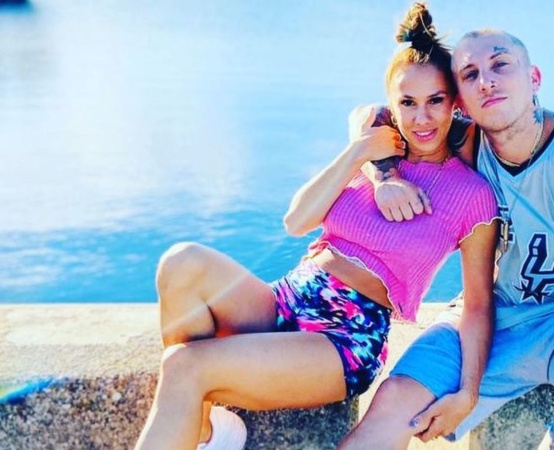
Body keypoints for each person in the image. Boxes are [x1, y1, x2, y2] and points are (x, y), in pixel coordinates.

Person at [133, 4, 498, 450]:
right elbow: (296, 221)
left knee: (183, 364)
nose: (421, 118)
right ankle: (207, 430)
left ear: (454, 103)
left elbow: (478, 305)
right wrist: (360, 153)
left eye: (435, 101)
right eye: (407, 103)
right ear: (391, 104)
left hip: (345, 336)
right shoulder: (375, 155)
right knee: (181, 262)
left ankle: (200, 418)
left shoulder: (472, 195)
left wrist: (468, 392)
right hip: (286, 298)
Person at [339, 28, 554, 450]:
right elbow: (373, 115)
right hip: (495, 314)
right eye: (470, 74)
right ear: (461, 101)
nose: (486, 81)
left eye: (500, 65)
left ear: (534, 78)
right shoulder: (467, 140)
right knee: (396, 400)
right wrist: (386, 178)